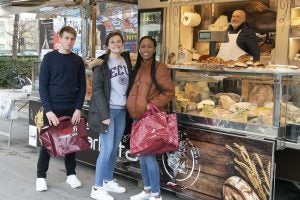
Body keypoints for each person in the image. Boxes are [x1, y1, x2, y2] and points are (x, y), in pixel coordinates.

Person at [36, 26, 86, 191]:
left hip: (71, 109)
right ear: (60, 38)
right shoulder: (49, 58)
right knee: (47, 144)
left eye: (72, 39)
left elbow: (82, 87)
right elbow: (42, 86)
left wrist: (78, 108)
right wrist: (48, 110)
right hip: (52, 109)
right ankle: (41, 177)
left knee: (71, 143)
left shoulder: (77, 61)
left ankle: (71, 175)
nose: (69, 42)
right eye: (66, 38)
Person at [127, 36, 175, 200]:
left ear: (154, 49)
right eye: (142, 47)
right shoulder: (139, 67)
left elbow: (169, 92)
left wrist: (150, 105)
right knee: (141, 155)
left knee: (148, 156)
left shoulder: (159, 67)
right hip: (137, 117)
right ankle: (147, 190)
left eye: (149, 47)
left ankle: (156, 195)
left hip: (149, 117)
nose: (145, 50)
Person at [88, 31, 133, 200]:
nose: (116, 44)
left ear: (122, 43)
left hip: (121, 110)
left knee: (114, 148)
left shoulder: (125, 60)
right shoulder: (101, 63)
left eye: (119, 41)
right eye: (112, 42)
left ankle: (107, 180)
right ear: (107, 45)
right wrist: (105, 115)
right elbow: (98, 90)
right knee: (106, 149)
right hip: (108, 111)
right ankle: (97, 187)